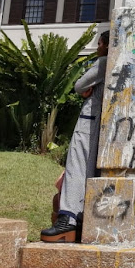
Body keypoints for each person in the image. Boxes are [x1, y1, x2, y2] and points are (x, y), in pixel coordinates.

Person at [41, 31, 110, 243]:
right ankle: (79, 220)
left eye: (99, 43)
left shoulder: (104, 61)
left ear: (107, 45)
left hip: (90, 121)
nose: (97, 48)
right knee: (90, 169)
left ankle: (68, 219)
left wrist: (83, 90)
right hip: (104, 123)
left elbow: (79, 85)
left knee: (76, 166)